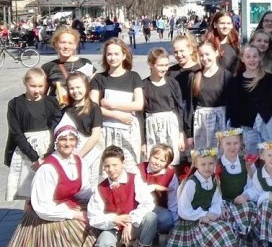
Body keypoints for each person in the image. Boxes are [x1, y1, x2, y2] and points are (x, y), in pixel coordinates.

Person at [0, 125, 110, 247]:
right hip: (46, 214)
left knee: (98, 217)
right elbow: (43, 207)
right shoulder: (47, 169)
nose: (68, 143)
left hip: (70, 203)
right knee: (76, 231)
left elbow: (83, 191)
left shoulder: (79, 162)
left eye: (71, 139)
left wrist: (102, 198)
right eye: (63, 140)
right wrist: (74, 214)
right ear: (56, 143)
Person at [156, 148, 239, 247]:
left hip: (208, 217)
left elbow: (216, 201)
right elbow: (183, 209)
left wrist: (213, 213)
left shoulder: (214, 180)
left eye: (210, 164)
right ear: (196, 164)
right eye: (203, 164)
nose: (207, 167)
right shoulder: (192, 183)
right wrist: (203, 215)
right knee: (220, 230)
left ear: (215, 164)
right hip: (192, 221)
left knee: (227, 226)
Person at [88, 146, 158, 247]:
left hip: (133, 225)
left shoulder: (134, 179)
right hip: (114, 227)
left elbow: (147, 202)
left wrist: (130, 220)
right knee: (103, 246)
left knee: (151, 217)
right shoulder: (100, 188)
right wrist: (114, 219)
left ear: (122, 163)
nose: (111, 169)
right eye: (107, 166)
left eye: (115, 165)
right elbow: (93, 217)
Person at [5, 68, 61, 201]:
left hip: (48, 149)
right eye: (33, 86)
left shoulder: (51, 102)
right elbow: (16, 133)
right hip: (26, 151)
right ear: (25, 83)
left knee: (48, 190)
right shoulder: (15, 104)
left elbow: (56, 127)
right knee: (29, 194)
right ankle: (28, 213)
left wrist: (49, 154)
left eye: (40, 86)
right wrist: (34, 157)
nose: (37, 90)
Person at [90, 39, 144, 172]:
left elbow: (138, 104)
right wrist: (116, 115)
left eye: (116, 54)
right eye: (109, 54)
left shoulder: (134, 77)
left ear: (124, 55)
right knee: (108, 169)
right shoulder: (99, 78)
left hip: (128, 131)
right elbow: (92, 106)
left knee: (130, 169)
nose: (112, 58)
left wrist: (112, 104)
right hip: (106, 131)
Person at [227, 45, 272, 155]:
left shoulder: (269, 78)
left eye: (255, 56)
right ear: (242, 59)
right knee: (250, 156)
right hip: (247, 125)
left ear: (260, 57)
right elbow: (233, 106)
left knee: (270, 154)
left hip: (267, 122)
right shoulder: (236, 81)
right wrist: (235, 130)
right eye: (248, 57)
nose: (252, 60)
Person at [216, 128, 262, 247]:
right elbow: (214, 192)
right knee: (225, 218)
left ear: (241, 143)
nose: (232, 147)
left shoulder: (247, 162)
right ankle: (233, 241)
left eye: (235, 143)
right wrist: (220, 206)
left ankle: (246, 240)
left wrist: (246, 196)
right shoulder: (216, 165)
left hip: (242, 201)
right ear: (221, 144)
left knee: (248, 209)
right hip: (225, 204)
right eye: (228, 143)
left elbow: (255, 186)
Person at [184, 41, 230, 151]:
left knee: (221, 155)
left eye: (207, 54)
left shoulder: (226, 76)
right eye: (201, 55)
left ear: (216, 53)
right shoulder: (194, 77)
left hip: (221, 122)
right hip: (201, 123)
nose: (204, 58)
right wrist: (189, 133)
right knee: (204, 156)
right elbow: (190, 106)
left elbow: (233, 105)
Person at [142, 48, 184, 165]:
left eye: (166, 65)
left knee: (172, 160)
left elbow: (179, 109)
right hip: (153, 127)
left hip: (171, 126)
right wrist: (143, 142)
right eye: (160, 65)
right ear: (151, 64)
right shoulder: (144, 85)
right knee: (155, 161)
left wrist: (181, 135)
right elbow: (141, 115)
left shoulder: (172, 83)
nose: (164, 68)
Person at [61, 72, 103, 187]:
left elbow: (95, 136)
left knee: (88, 186)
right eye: (71, 88)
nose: (75, 91)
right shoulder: (66, 110)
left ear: (86, 87)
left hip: (89, 154)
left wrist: (79, 156)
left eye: (78, 87)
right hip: (70, 154)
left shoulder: (94, 108)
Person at [41, 26, 95, 106]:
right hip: (57, 111)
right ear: (56, 44)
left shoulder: (85, 63)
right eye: (62, 42)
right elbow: (41, 96)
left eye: (70, 43)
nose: (66, 46)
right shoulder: (48, 67)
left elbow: (93, 90)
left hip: (81, 110)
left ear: (75, 45)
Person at [137, 144, 178, 234]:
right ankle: (142, 232)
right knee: (147, 219)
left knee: (167, 219)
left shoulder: (170, 175)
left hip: (158, 208)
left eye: (162, 161)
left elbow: (173, 201)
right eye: (155, 158)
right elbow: (137, 191)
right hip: (139, 206)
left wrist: (175, 224)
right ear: (150, 156)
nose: (157, 162)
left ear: (167, 163)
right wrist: (154, 187)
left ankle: (154, 233)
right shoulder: (139, 169)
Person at [205, 11, 240, 75]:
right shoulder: (209, 45)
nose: (225, 26)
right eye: (222, 23)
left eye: (228, 23)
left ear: (232, 25)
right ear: (215, 25)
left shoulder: (235, 42)